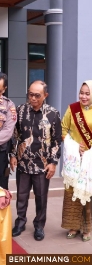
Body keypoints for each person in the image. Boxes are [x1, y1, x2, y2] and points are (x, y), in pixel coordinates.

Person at [10, 80, 62, 241]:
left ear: (45, 95)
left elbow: (56, 140)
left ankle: (39, 226)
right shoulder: (20, 110)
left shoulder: (53, 113)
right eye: (30, 94)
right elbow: (15, 136)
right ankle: (20, 222)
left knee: (41, 197)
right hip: (23, 163)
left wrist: (53, 163)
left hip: (43, 165)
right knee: (22, 195)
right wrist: (12, 155)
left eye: (37, 95)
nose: (32, 98)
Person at [61, 80, 92, 242]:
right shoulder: (72, 109)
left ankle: (87, 228)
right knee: (72, 193)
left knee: (87, 193)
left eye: (87, 93)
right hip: (74, 159)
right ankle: (73, 226)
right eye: (81, 92)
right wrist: (74, 147)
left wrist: (88, 150)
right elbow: (63, 129)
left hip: (90, 160)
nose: (83, 96)